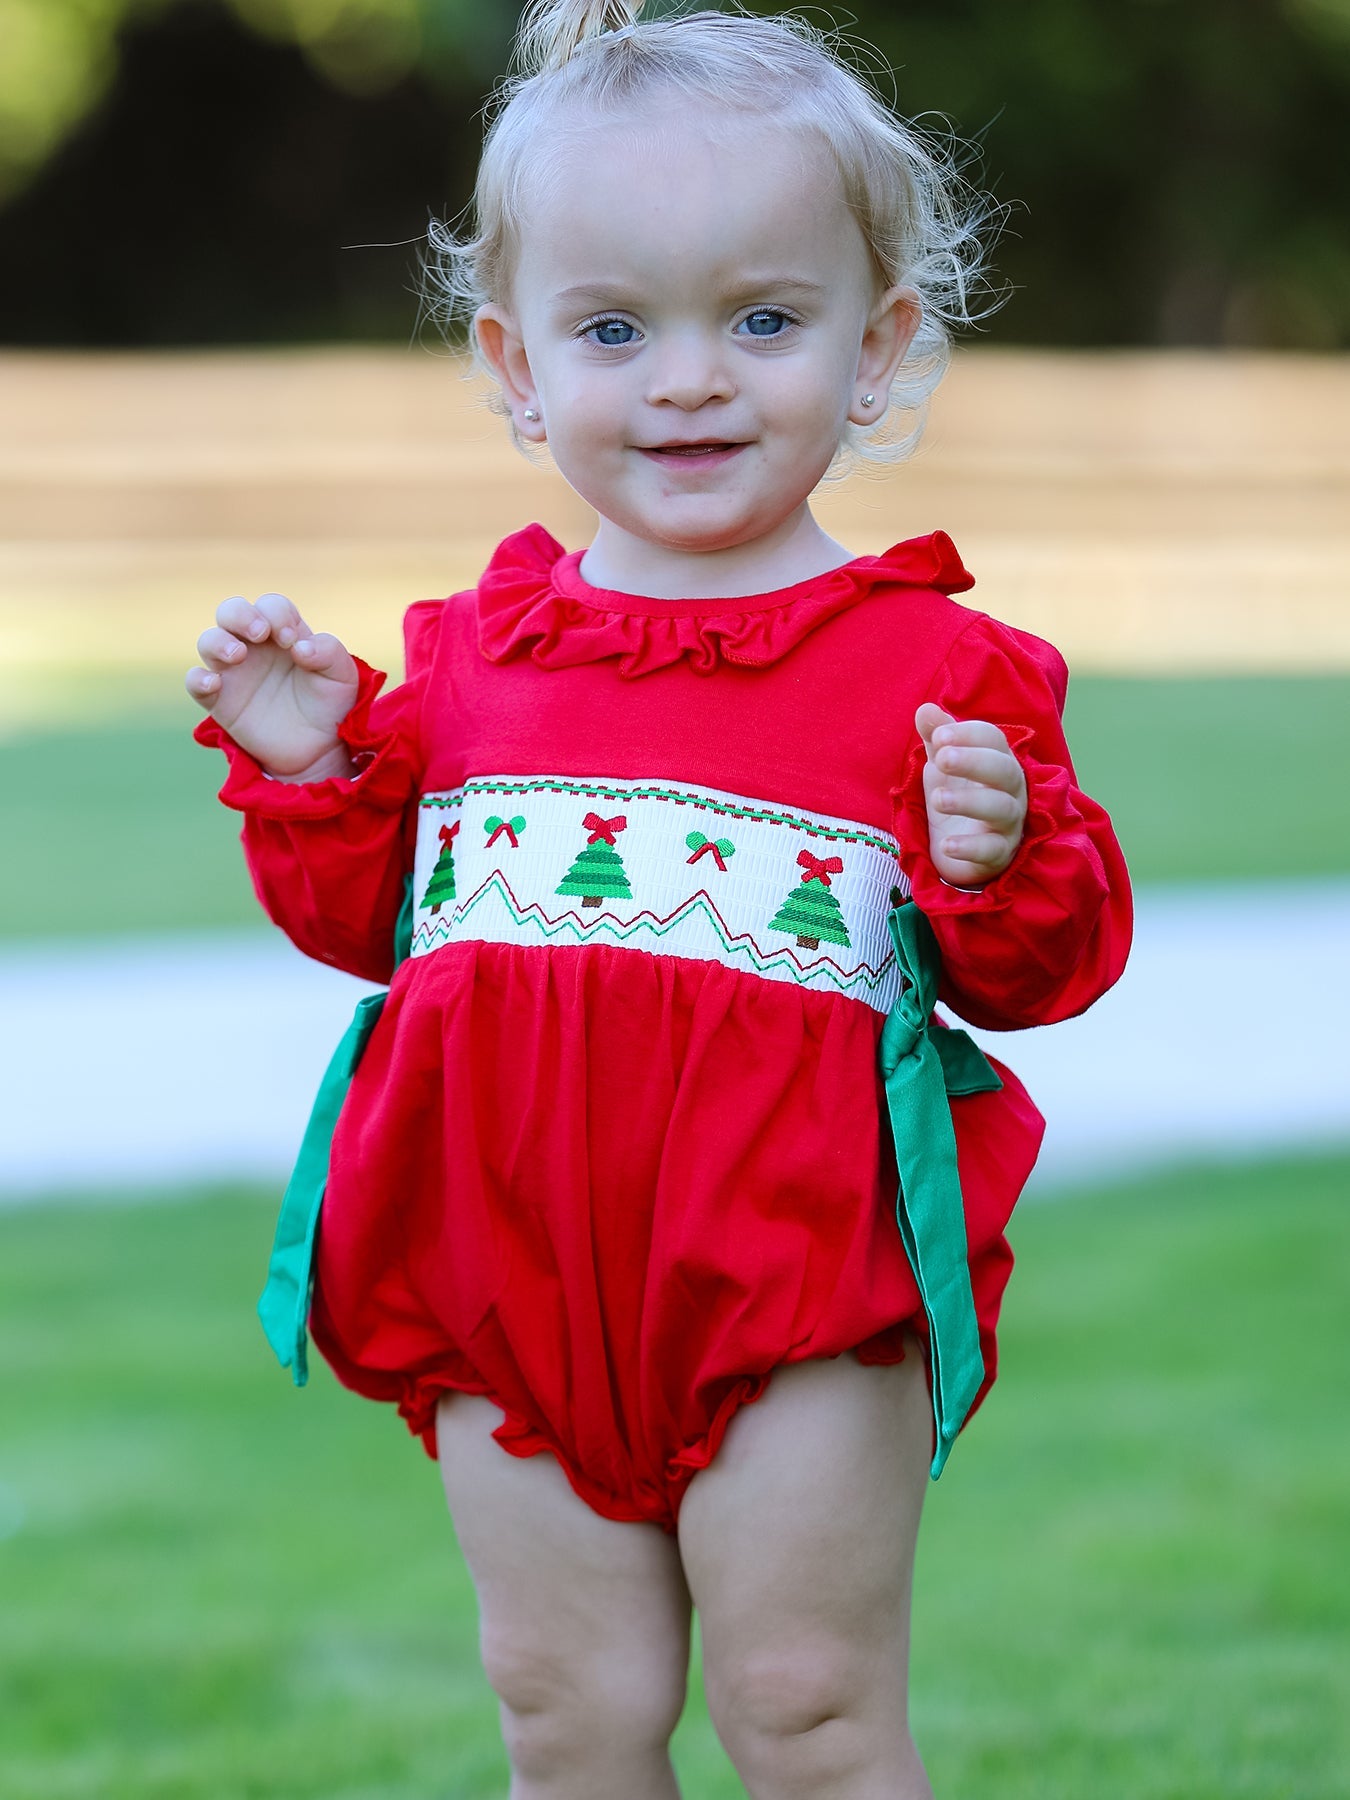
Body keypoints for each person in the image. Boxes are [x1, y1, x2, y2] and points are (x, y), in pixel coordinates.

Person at [188, 3, 1132, 1793]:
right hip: (502, 1266)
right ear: (515, 364)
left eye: (761, 321)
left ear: (876, 347)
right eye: (613, 329)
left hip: (792, 1278)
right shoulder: (466, 664)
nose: (687, 379)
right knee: (567, 1712)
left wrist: (998, 855)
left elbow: (1045, 973)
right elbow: (370, 932)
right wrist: (314, 771)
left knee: (809, 1709)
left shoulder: (936, 671)